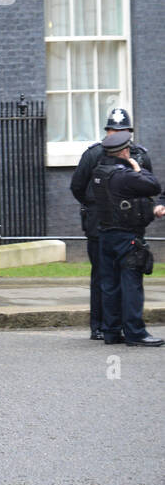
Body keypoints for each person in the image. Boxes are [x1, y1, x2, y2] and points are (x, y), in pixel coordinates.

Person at [70, 107, 152, 340]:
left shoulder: (140, 155)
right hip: (100, 225)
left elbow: (149, 186)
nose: (116, 134)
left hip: (130, 227)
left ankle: (124, 327)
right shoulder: (93, 155)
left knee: (129, 276)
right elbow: (78, 187)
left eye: (122, 130)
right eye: (113, 130)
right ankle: (100, 325)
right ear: (106, 131)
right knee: (103, 277)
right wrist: (98, 207)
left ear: (129, 132)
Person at [90, 130, 165, 347]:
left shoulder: (99, 172)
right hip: (126, 236)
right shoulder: (124, 176)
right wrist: (136, 166)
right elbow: (153, 185)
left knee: (110, 285)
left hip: (105, 235)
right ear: (124, 151)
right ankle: (135, 333)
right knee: (132, 283)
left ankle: (111, 332)